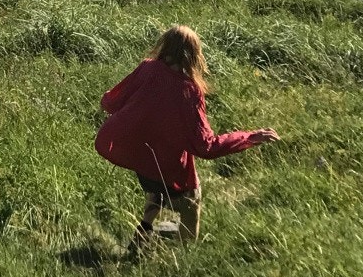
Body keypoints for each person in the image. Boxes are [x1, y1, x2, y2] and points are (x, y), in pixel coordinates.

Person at [96, 25, 278, 249]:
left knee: (155, 190)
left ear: (164, 45)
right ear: (194, 56)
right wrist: (250, 137)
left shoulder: (147, 68)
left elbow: (110, 102)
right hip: (169, 169)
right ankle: (183, 256)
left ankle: (143, 233)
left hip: (141, 160)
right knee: (192, 206)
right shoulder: (189, 91)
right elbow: (205, 147)